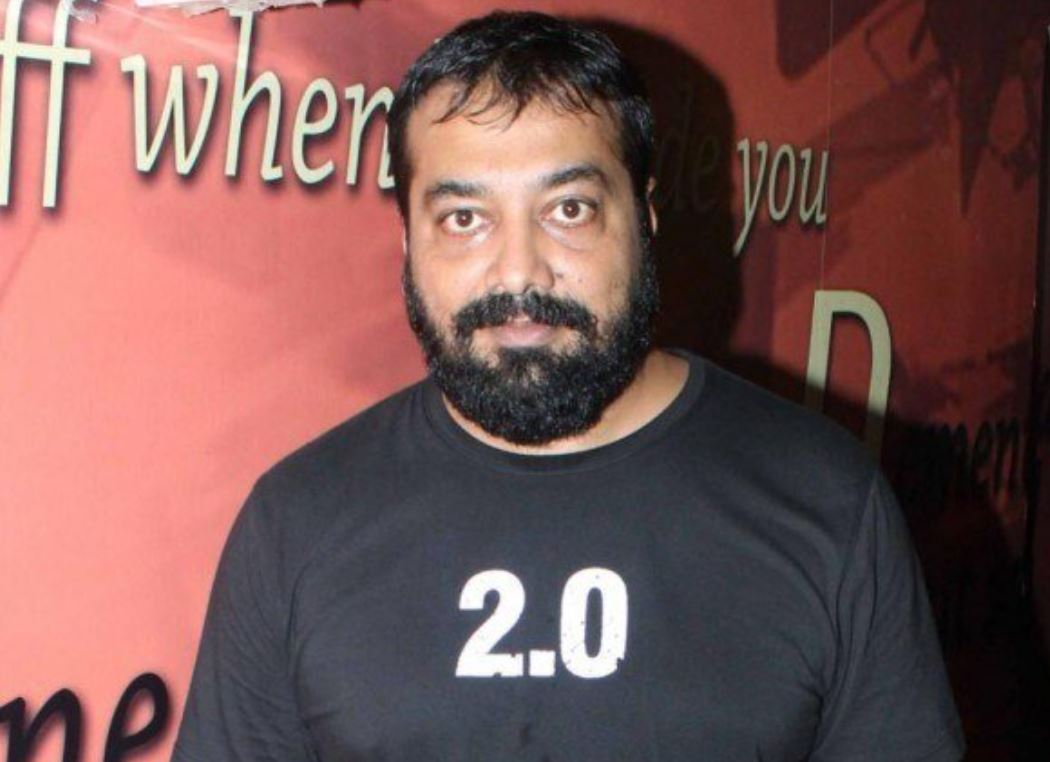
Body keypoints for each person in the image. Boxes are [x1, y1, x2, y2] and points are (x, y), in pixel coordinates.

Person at [172, 11, 965, 761]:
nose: (519, 272)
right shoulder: (296, 525)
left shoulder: (826, 502)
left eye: (569, 209)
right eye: (464, 219)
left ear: (645, 222)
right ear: (407, 243)